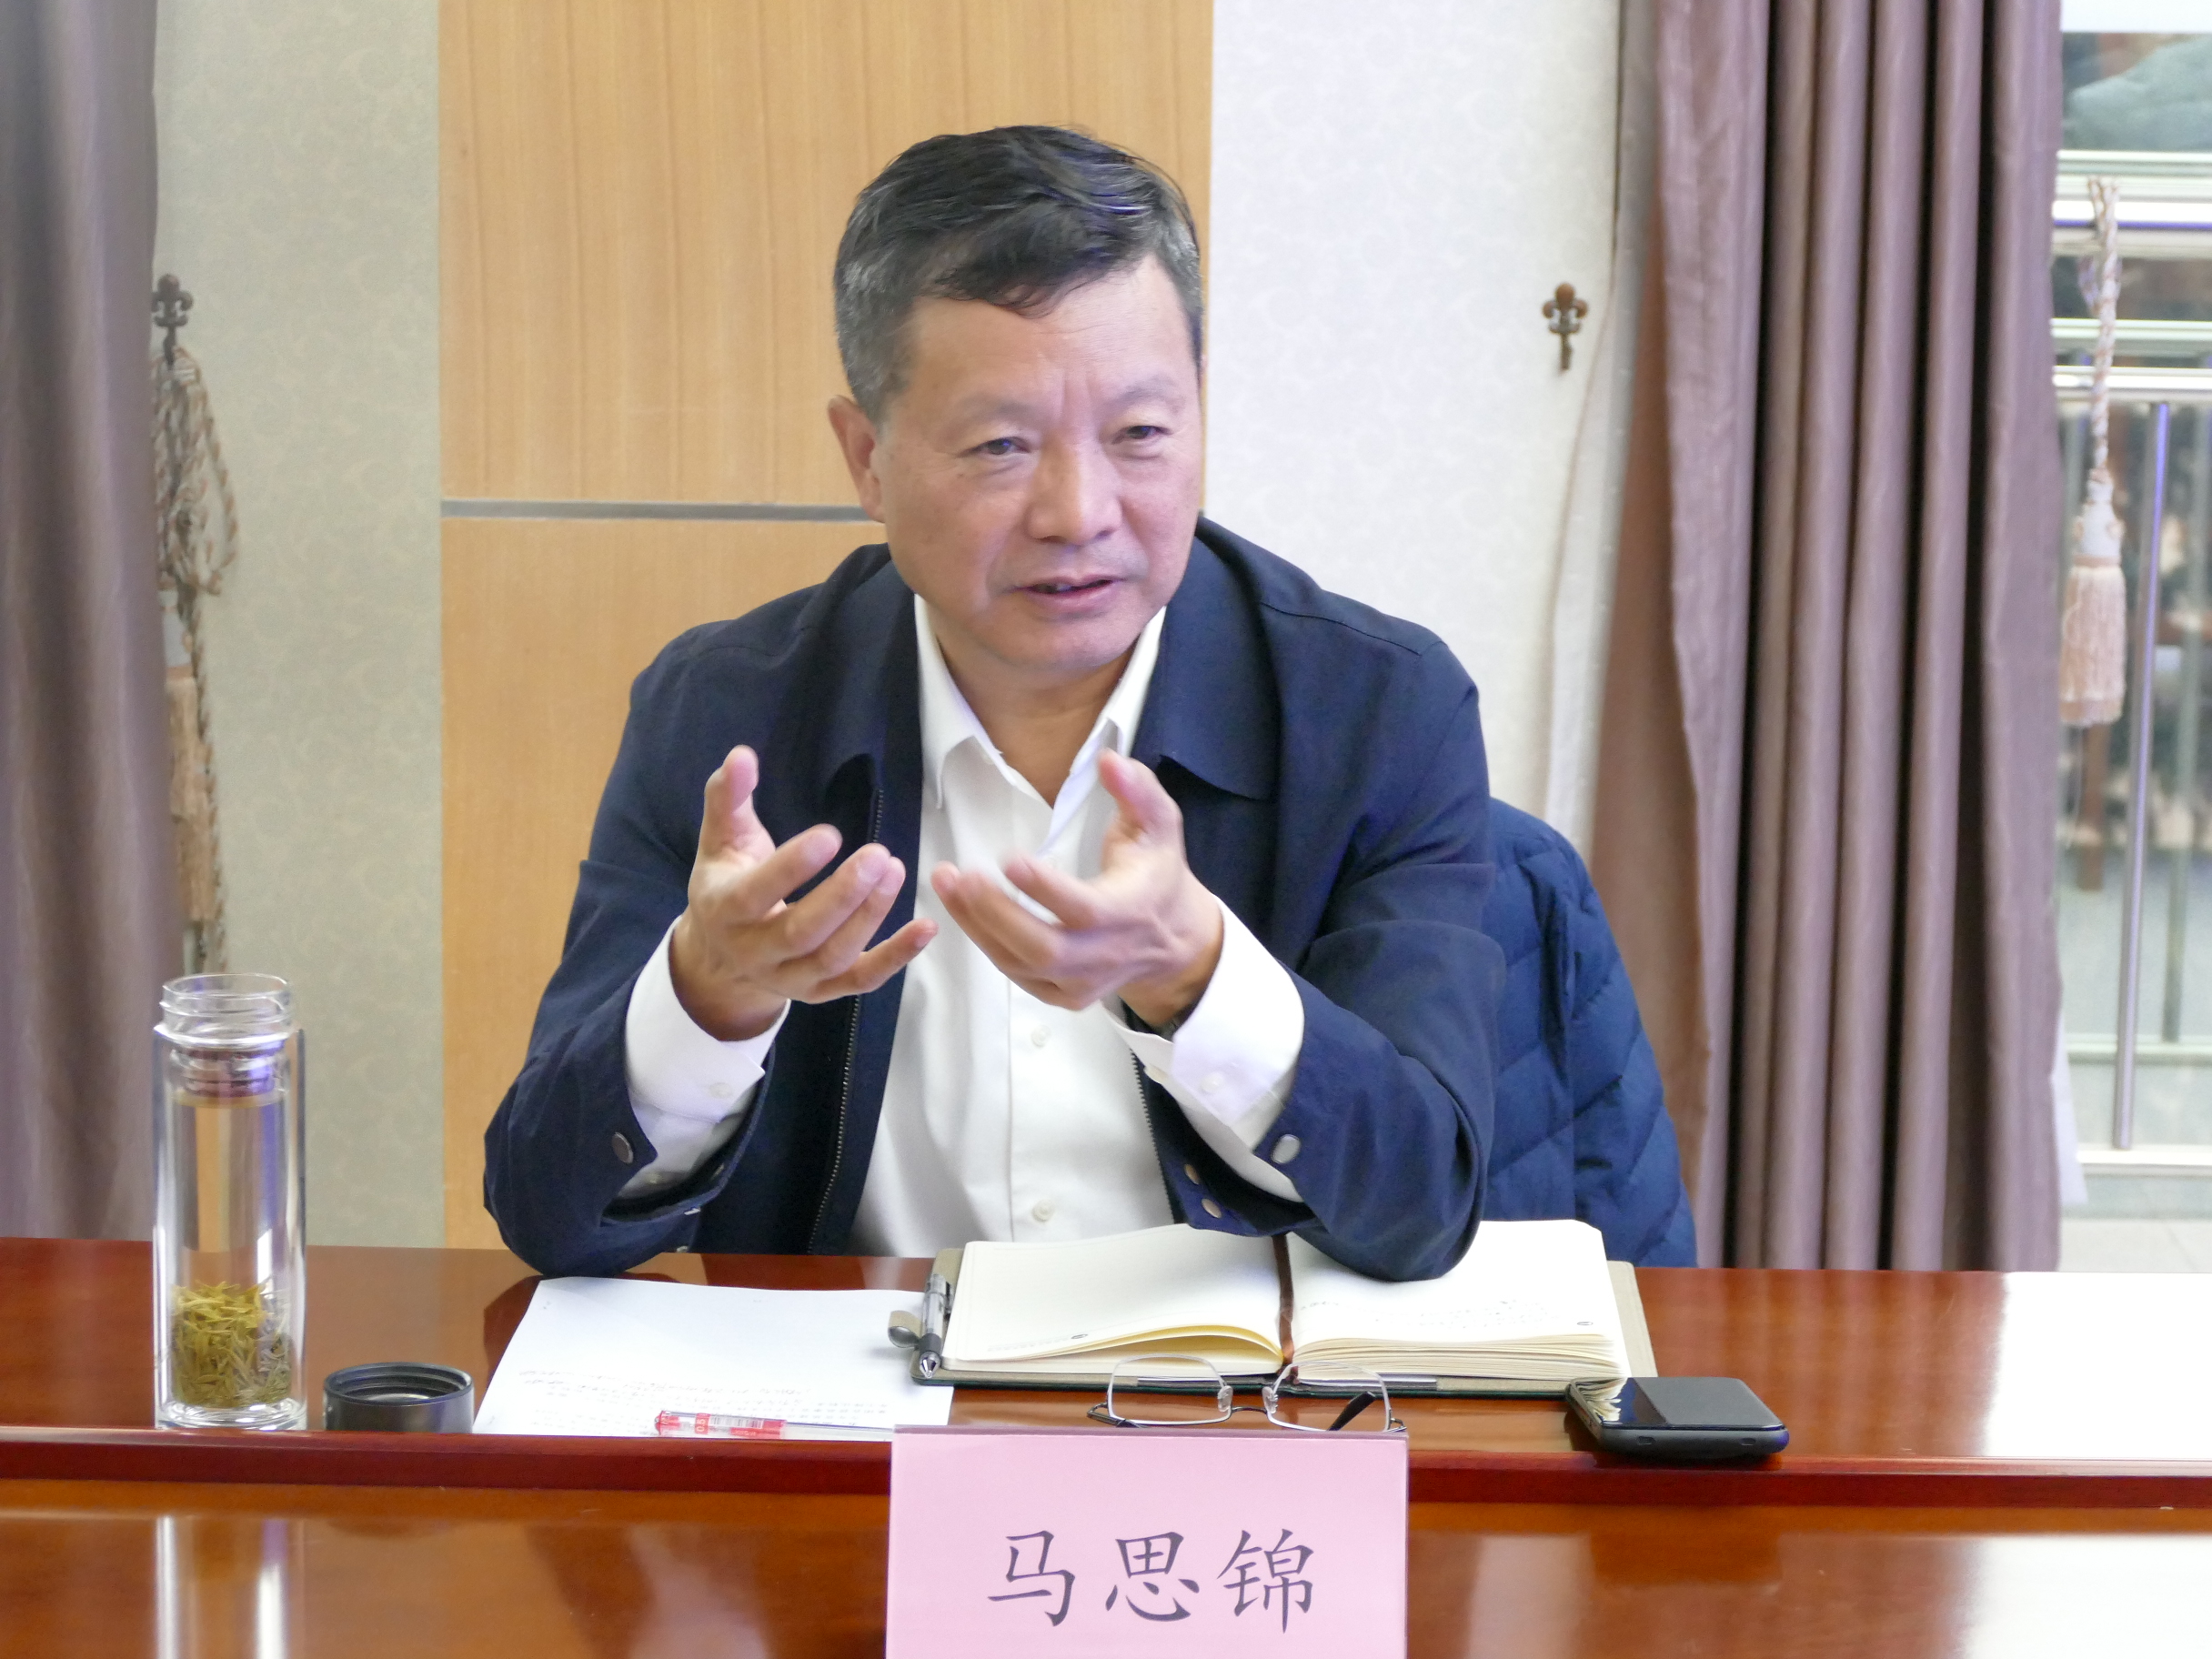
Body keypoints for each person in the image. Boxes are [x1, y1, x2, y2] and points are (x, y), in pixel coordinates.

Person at [483, 126, 1502, 1282]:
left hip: (1226, 1384)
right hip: (852, 1380)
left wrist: (1197, 972)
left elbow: (1420, 1209)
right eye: (1001, 446)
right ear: (866, 459)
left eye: (1140, 434)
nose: (1078, 513)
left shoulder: (1376, 710)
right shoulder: (727, 713)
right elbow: (549, 1215)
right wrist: (704, 1000)